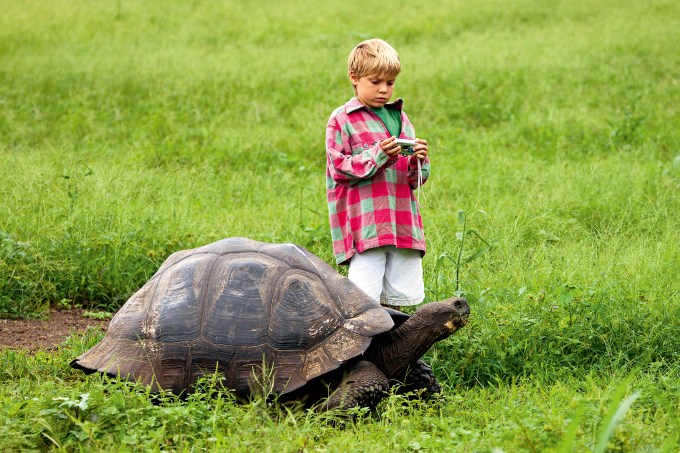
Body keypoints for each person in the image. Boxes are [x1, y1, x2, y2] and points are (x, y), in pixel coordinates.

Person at [325, 38, 430, 309]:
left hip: (402, 222)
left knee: (399, 298)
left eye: (390, 82)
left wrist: (418, 161)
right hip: (367, 224)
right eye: (375, 81)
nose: (384, 89)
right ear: (354, 78)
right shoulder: (342, 119)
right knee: (363, 300)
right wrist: (380, 154)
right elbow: (339, 167)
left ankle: (396, 349)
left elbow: (414, 180)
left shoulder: (402, 119)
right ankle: (361, 351)